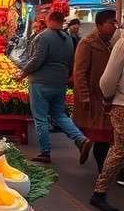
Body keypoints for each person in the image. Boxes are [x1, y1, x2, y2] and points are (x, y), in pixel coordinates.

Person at [19, 9, 92, 165]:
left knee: (40, 118)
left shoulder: (43, 37)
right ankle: (80, 139)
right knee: (59, 114)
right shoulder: (67, 38)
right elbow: (71, 61)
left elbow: (37, 59)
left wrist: (23, 73)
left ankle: (45, 151)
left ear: (49, 19)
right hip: (60, 83)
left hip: (41, 82)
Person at [72, 9, 118, 175]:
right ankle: (102, 173)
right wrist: (84, 96)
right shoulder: (87, 43)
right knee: (102, 137)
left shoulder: (112, 42)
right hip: (94, 97)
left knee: (104, 136)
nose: (115, 26)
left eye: (116, 23)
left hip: (108, 97)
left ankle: (86, 144)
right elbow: (80, 72)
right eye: (111, 23)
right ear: (99, 25)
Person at [89, 29, 124, 211]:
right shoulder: (122, 43)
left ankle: (100, 192)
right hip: (122, 104)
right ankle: (99, 192)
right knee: (119, 149)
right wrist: (108, 96)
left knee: (118, 149)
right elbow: (108, 79)